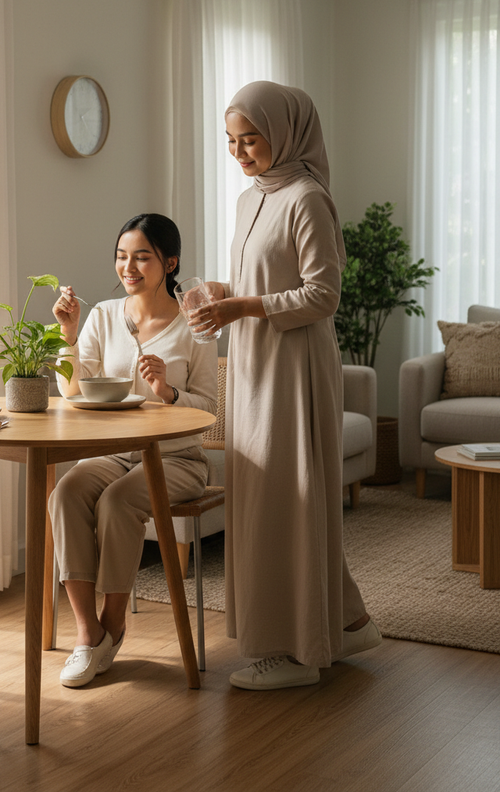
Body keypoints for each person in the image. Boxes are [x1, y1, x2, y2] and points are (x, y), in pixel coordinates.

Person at [188, 81, 382, 690]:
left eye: (251, 139)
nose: (240, 152)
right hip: (252, 363)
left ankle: (295, 653)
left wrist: (243, 307)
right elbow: (262, 278)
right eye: (231, 141)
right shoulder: (251, 201)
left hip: (293, 367)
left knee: (286, 499)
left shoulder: (307, 199)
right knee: (269, 496)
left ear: (286, 133)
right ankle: (343, 622)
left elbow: (324, 296)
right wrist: (225, 293)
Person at [49, 213, 218, 688]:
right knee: (66, 492)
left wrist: (166, 391)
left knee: (119, 501)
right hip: (115, 451)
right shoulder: (102, 315)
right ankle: (88, 635)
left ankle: (115, 621)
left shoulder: (195, 323)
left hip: (178, 459)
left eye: (142, 257)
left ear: (170, 261)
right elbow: (71, 391)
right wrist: (67, 335)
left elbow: (209, 407)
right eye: (122, 256)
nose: (129, 267)